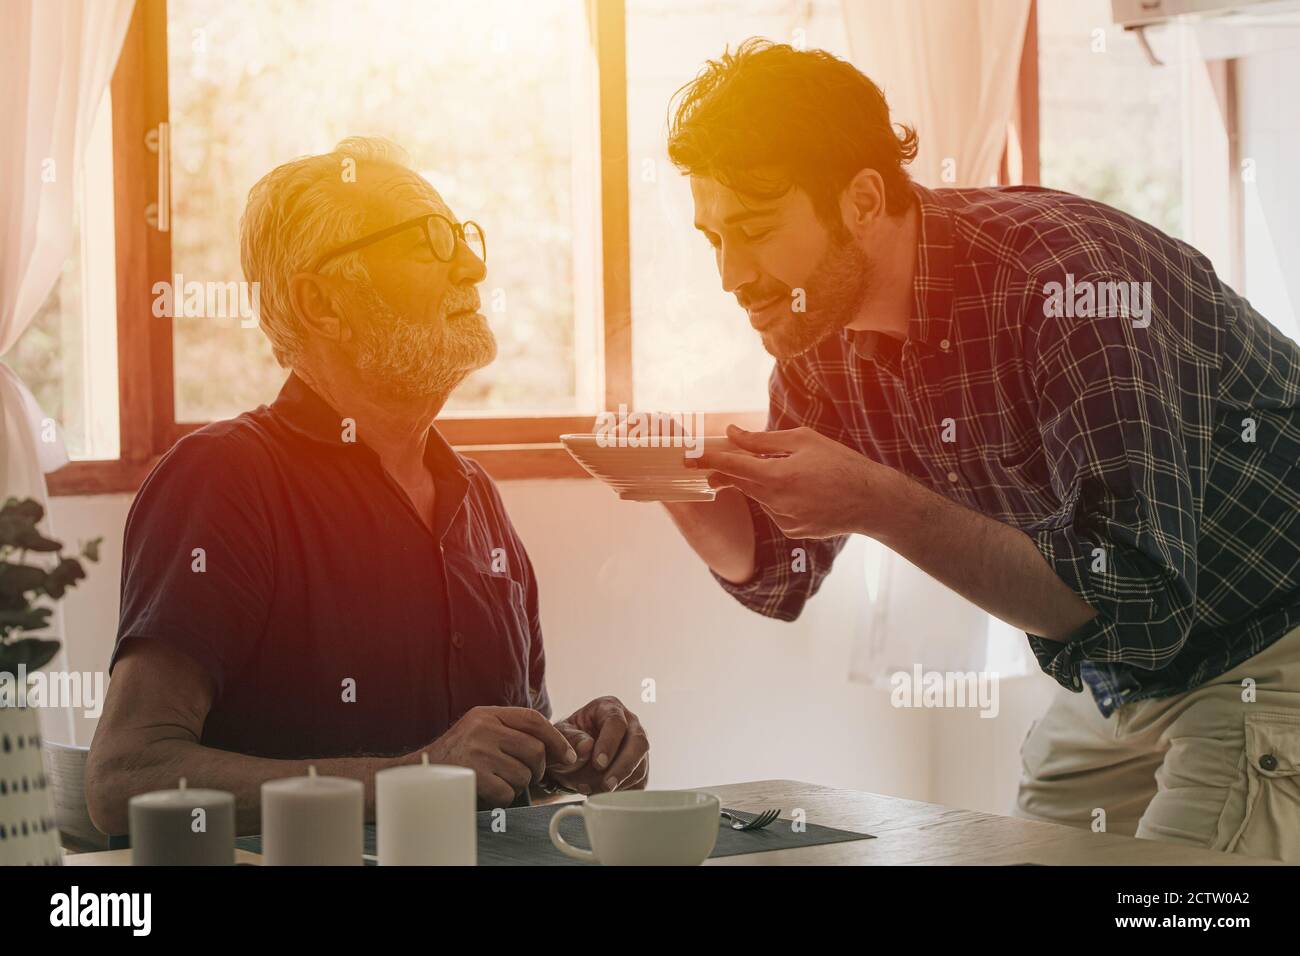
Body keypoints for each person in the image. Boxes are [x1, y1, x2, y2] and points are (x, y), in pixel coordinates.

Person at [662, 39, 1299, 861]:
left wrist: (878, 502)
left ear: (861, 200)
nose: (729, 274)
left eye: (752, 230)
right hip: (1121, 671)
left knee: (1172, 914)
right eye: (712, 236)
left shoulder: (1067, 290)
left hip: (1266, 636)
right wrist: (673, 487)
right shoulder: (815, 332)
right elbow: (782, 572)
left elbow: (1133, 598)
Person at [86, 137, 648, 836]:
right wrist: (418, 777)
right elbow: (125, 777)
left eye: (464, 238)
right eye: (429, 242)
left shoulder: (477, 500)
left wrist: (568, 753)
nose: (473, 267)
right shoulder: (224, 479)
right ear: (322, 302)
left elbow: (480, 768)